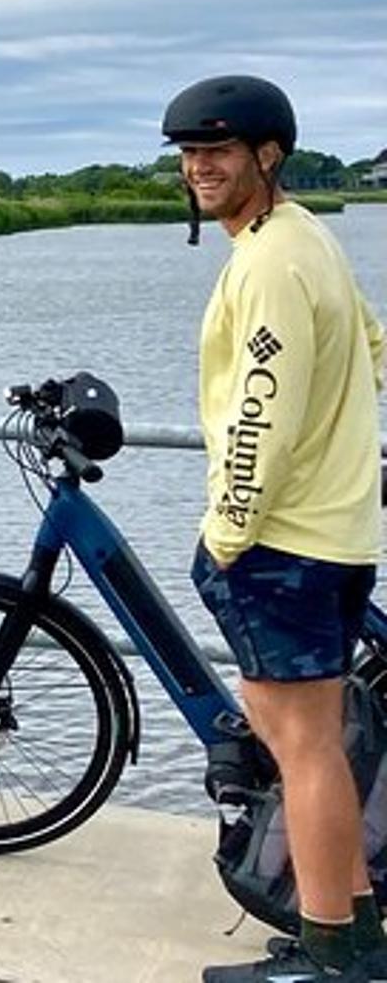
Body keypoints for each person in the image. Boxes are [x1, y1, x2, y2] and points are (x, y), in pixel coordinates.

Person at [167, 77, 387, 982]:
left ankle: (332, 954)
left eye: (218, 150)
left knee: (302, 749)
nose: (199, 167)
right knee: (318, 744)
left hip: (282, 542)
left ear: (269, 155)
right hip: (332, 533)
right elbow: (373, 346)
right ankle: (358, 932)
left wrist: (227, 530)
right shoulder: (307, 240)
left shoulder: (267, 262)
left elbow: (263, 410)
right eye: (187, 153)